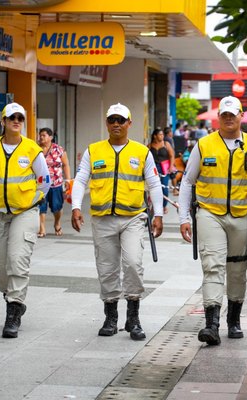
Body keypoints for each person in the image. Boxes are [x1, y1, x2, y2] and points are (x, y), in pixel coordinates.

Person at [178, 96, 247, 346]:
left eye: (233, 114)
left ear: (241, 116)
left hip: (243, 217)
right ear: (218, 117)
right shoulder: (203, 145)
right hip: (210, 214)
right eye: (224, 114)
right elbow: (187, 182)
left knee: (237, 269)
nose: (229, 118)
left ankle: (234, 320)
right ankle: (211, 324)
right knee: (212, 265)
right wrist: (183, 217)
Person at [71, 103, 164, 341]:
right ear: (106, 123)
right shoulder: (94, 151)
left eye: (121, 120)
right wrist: (75, 206)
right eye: (112, 119)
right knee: (107, 268)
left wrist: (159, 215)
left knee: (133, 263)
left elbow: (154, 184)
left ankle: (133, 318)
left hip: (133, 218)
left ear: (129, 124)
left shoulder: (142, 152)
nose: (116, 124)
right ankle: (110, 317)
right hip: (102, 220)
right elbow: (80, 179)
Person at [0, 103, 51, 338]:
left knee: (17, 259)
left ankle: (13, 310)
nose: (17, 120)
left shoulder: (32, 150)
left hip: (25, 212)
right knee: (1, 266)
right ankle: (12, 297)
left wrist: (33, 200)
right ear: (3, 121)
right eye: (12, 117)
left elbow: (45, 181)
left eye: (20, 117)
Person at [37, 127, 71, 237]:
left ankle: (57, 223)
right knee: (40, 207)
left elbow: (66, 165)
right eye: (40, 135)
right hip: (40, 184)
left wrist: (68, 180)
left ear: (50, 137)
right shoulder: (35, 149)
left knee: (57, 207)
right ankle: (42, 229)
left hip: (56, 183)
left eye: (44, 135)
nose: (41, 137)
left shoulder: (59, 150)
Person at [149, 127, 175, 214]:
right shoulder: (149, 145)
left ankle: (164, 206)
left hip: (164, 168)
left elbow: (172, 155)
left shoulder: (166, 144)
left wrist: (171, 167)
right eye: (160, 134)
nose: (162, 136)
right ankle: (154, 206)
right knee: (154, 188)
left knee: (164, 188)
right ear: (155, 136)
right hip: (153, 169)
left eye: (163, 134)